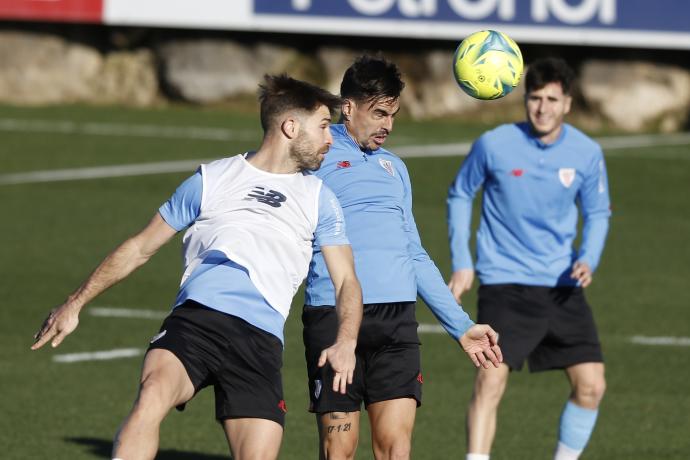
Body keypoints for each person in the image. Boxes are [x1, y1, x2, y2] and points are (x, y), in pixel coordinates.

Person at [32, 74, 363, 460]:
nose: (331, 138)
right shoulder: (212, 179)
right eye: (324, 126)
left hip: (260, 341)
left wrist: (347, 341)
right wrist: (75, 302)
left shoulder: (319, 198)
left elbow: (346, 282)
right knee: (152, 397)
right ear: (290, 127)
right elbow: (141, 246)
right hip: (196, 322)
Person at [302, 55, 503, 460]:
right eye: (378, 114)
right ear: (349, 107)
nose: (387, 126)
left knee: (396, 448)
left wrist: (461, 326)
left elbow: (413, 252)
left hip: (396, 322)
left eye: (392, 115)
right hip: (335, 315)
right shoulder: (313, 160)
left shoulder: (397, 169)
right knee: (338, 447)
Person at [447, 57, 610, 460]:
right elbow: (460, 193)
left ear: (568, 104)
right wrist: (462, 260)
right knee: (490, 382)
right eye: (535, 98)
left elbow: (599, 212)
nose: (542, 108)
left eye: (552, 99)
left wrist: (588, 257)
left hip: (562, 287)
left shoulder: (586, 152)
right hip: (505, 284)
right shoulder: (494, 144)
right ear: (525, 100)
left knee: (592, 385)